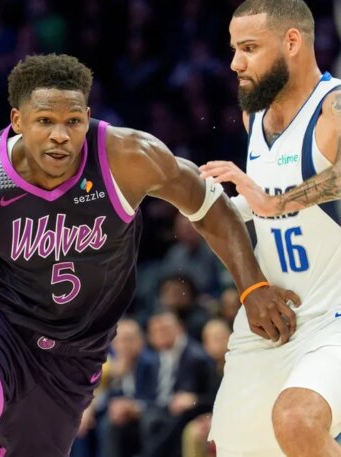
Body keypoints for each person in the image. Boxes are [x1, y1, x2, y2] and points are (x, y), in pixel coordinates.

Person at [0, 53, 299, 457]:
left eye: (73, 121)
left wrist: (252, 286)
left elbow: (212, 209)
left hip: (74, 355)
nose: (60, 135)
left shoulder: (127, 157)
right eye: (45, 121)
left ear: (88, 116)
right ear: (17, 121)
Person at [199, 1, 341, 455]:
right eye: (234, 49)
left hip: (333, 317)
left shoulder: (334, 105)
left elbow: (278, 198)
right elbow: (260, 205)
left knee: (297, 419)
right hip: (272, 319)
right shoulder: (254, 117)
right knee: (221, 448)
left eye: (249, 48)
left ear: (292, 42)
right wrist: (215, 206)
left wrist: (271, 202)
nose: (235, 63)